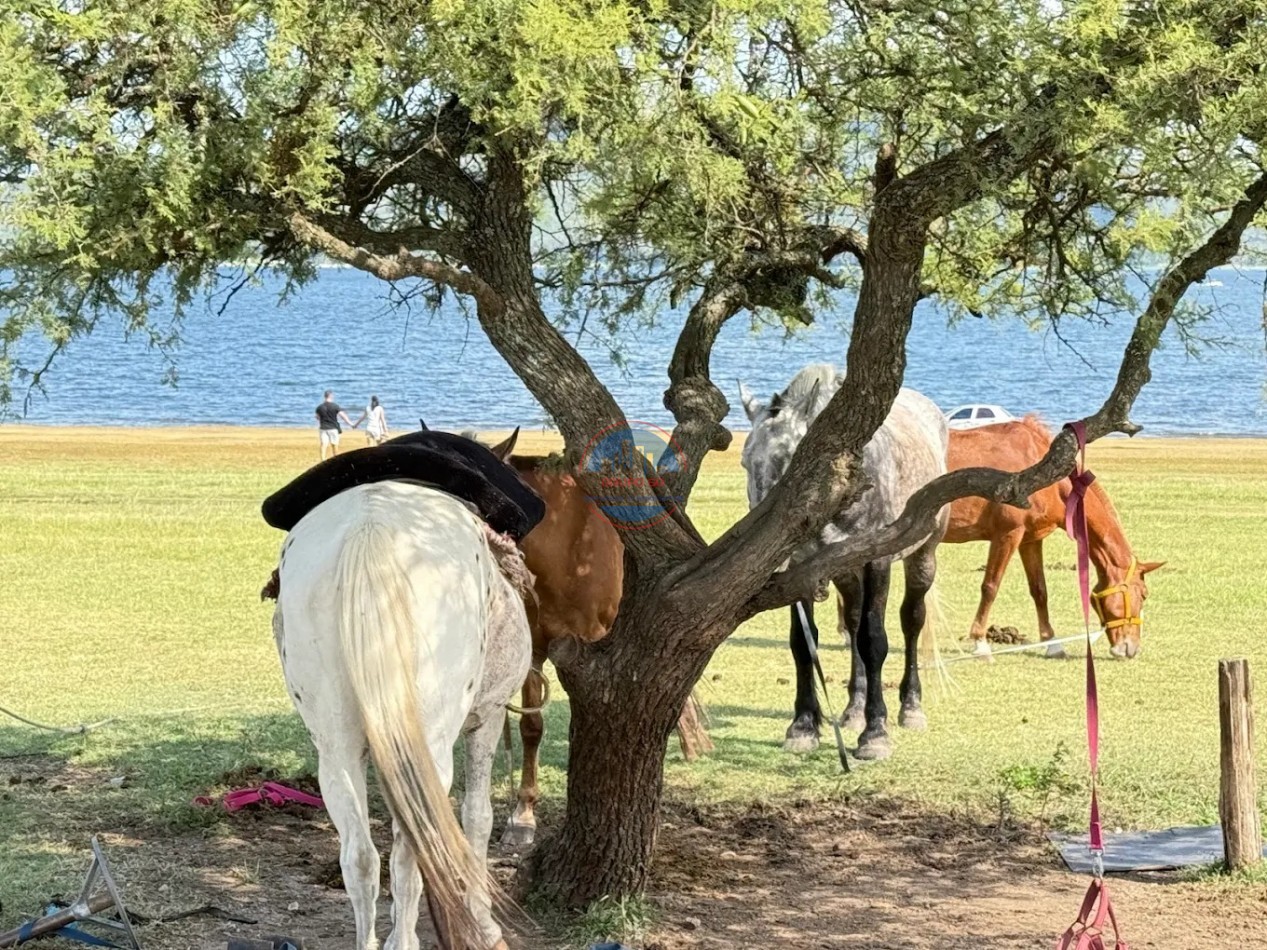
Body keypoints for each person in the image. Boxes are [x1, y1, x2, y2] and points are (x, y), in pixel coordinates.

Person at [315, 390, 356, 460]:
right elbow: (343, 416)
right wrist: (351, 424)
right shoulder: (335, 406)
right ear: (331, 396)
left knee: (323, 445)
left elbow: (317, 417)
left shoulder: (319, 407)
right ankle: (335, 458)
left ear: (324, 396)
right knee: (334, 445)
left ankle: (322, 459)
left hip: (323, 428)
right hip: (333, 428)